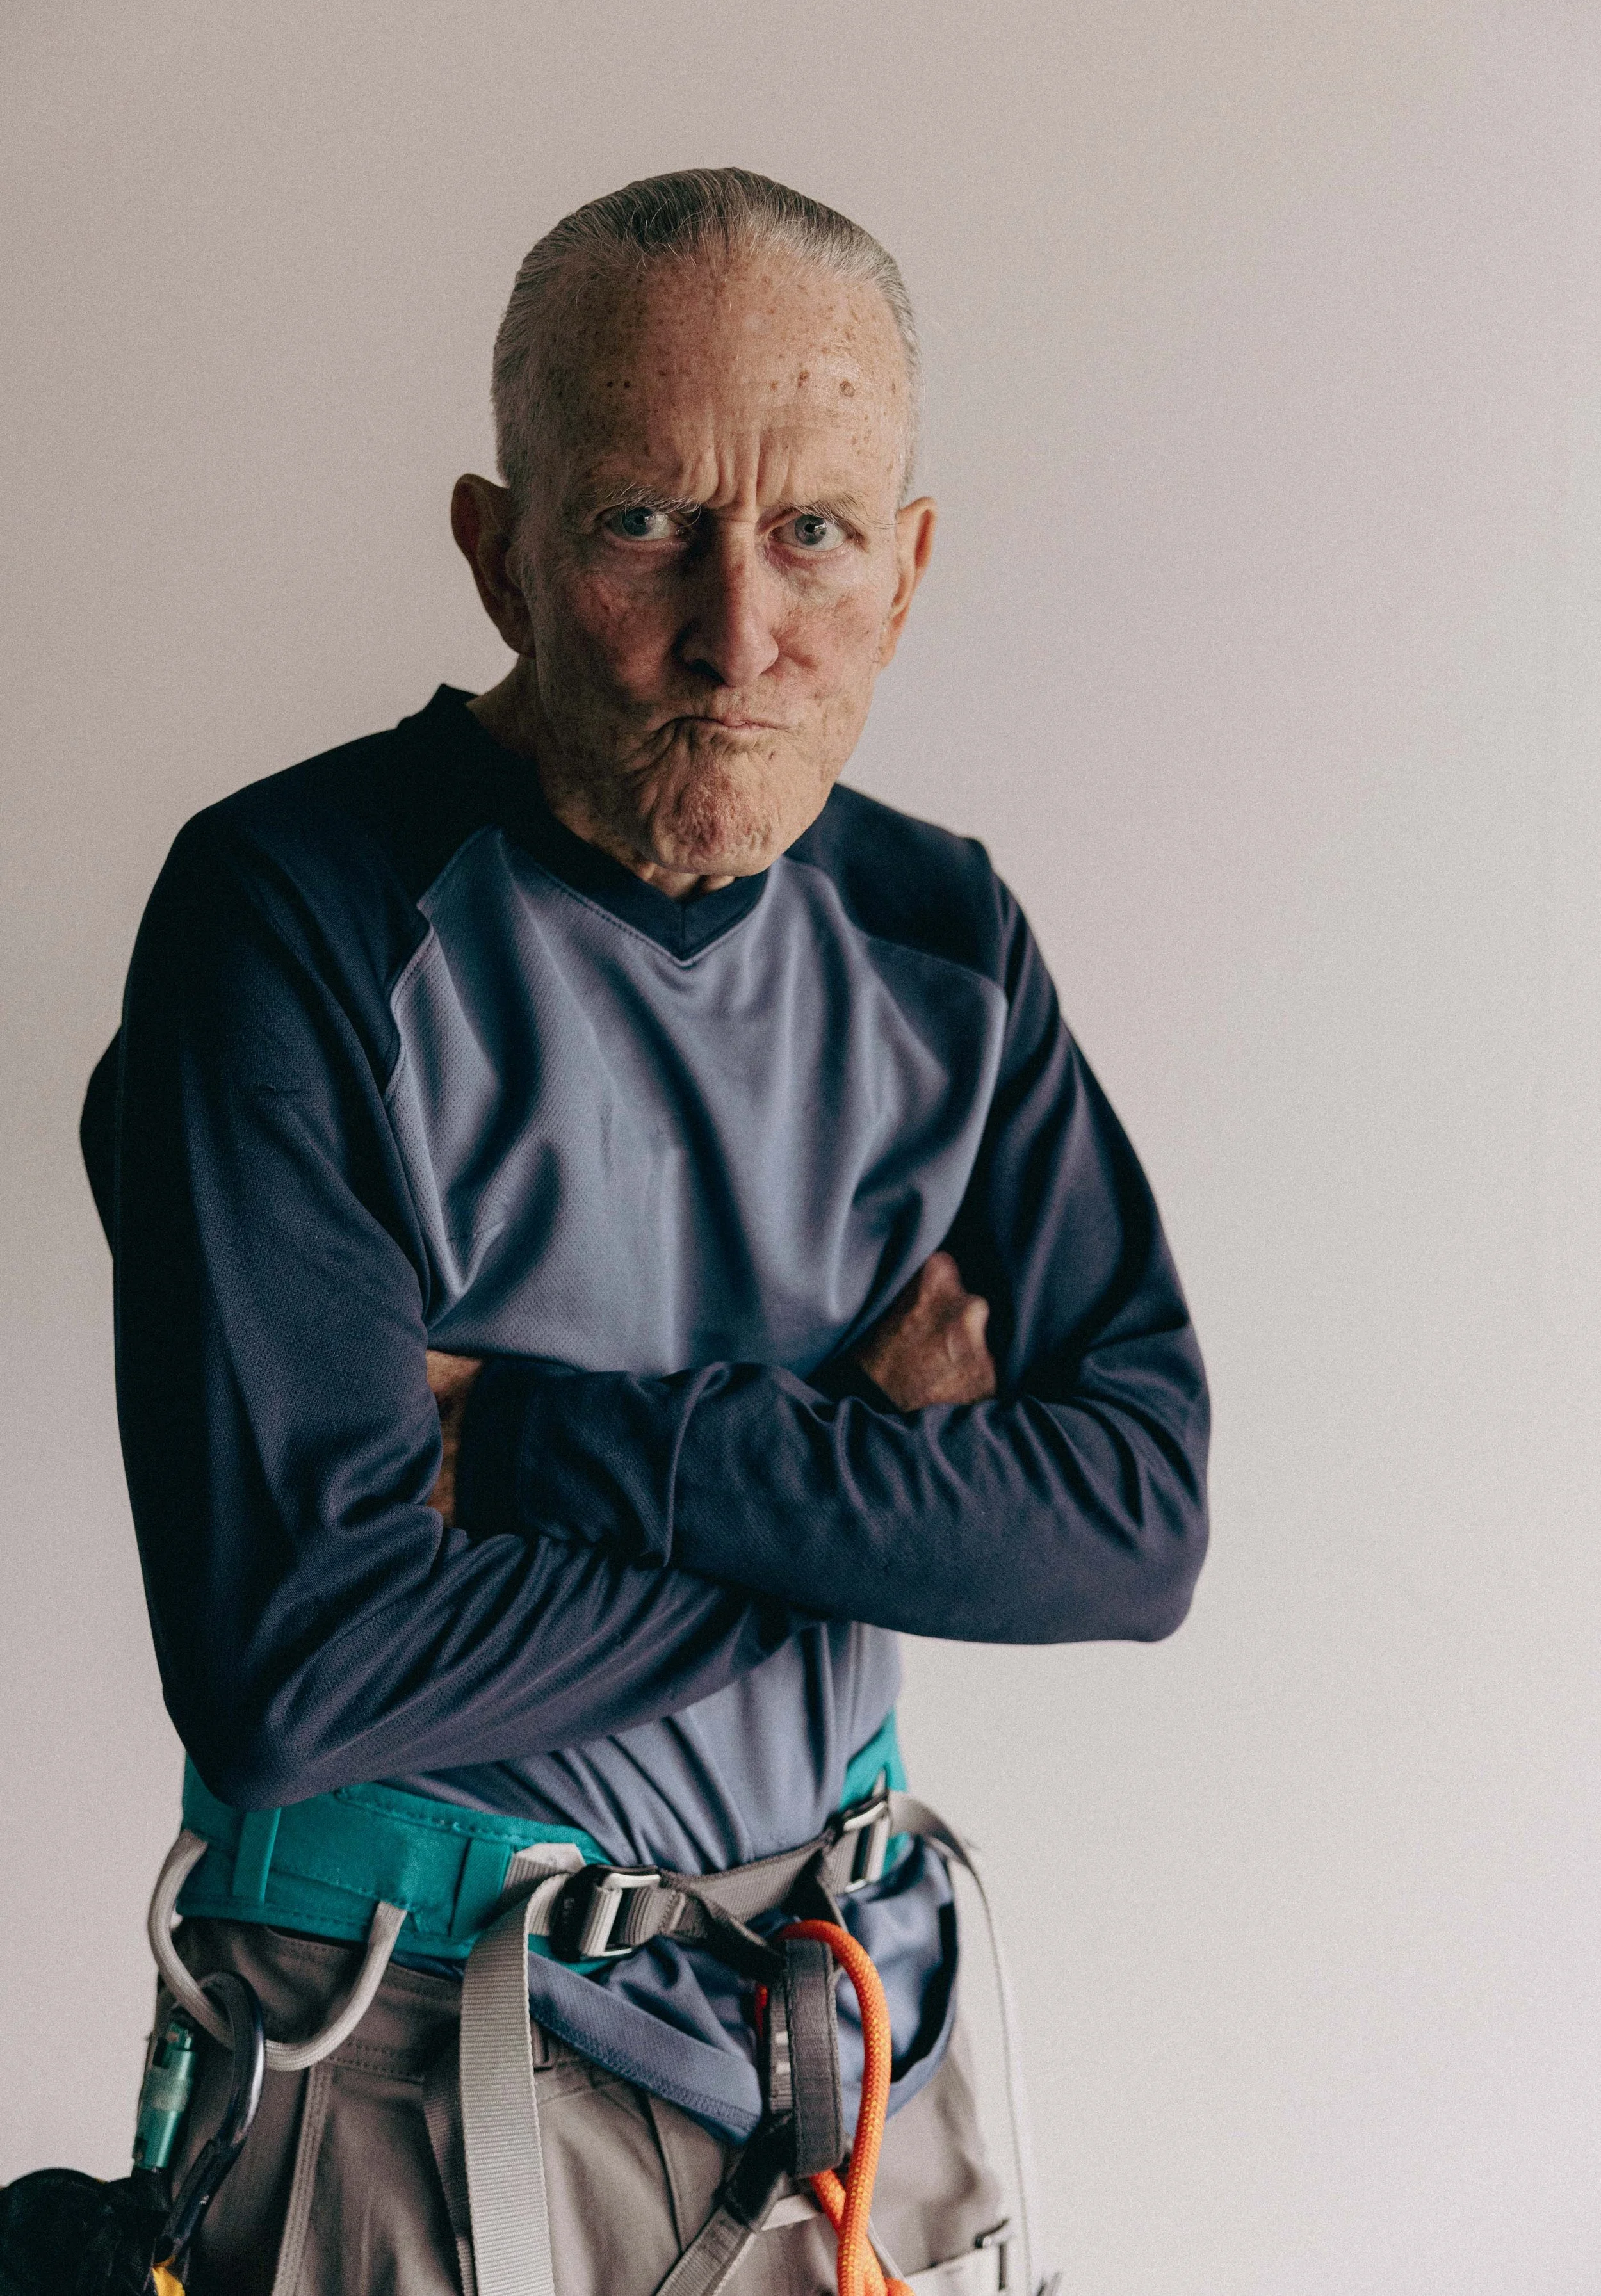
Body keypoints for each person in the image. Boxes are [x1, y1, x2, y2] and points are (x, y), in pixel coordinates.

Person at [80, 168, 1210, 2296]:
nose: (736, 631)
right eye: (640, 526)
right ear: (495, 552)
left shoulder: (935, 935)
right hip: (405, 2073)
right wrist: (859, 1471)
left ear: (909, 571)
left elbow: (1127, 1523)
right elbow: (295, 1658)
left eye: (812, 532)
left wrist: (520, 1447)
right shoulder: (287, 918)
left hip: (857, 2053)